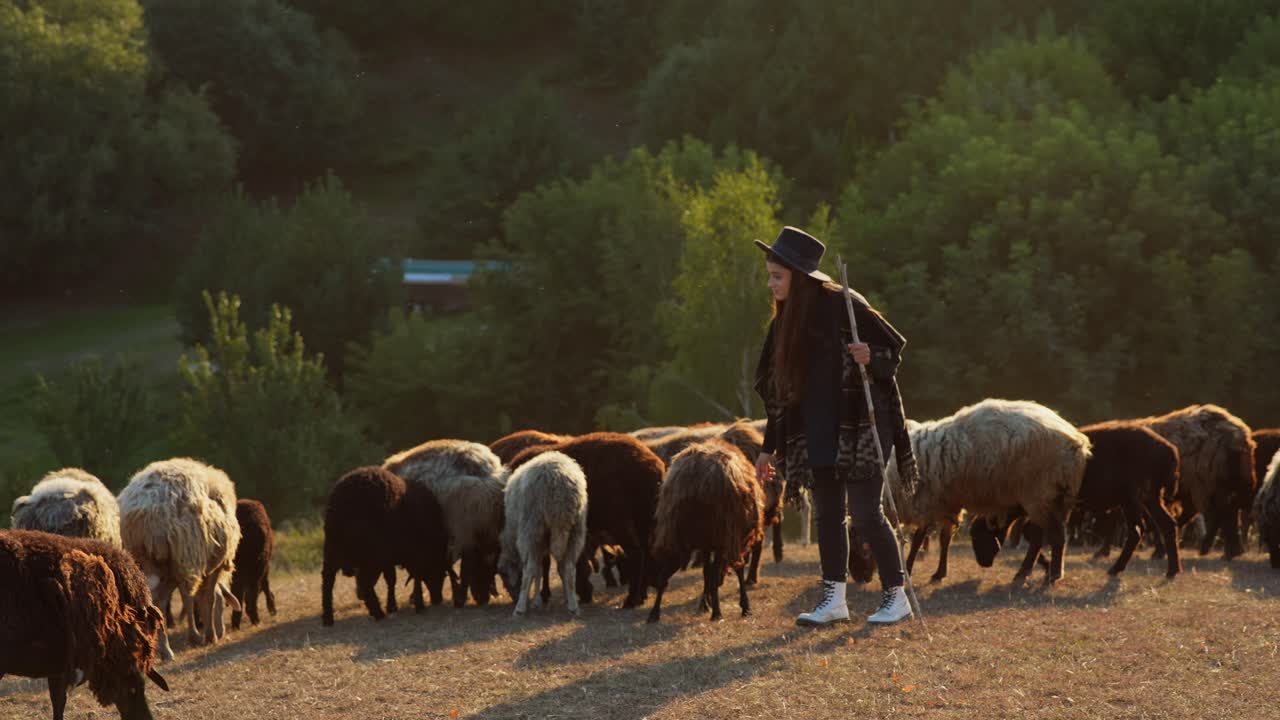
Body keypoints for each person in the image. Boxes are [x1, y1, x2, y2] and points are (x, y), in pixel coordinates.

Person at [751, 226, 919, 626]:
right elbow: (777, 395)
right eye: (770, 276)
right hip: (815, 432)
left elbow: (891, 350)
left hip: (860, 425)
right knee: (828, 514)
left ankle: (897, 597)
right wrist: (768, 447)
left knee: (864, 512)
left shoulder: (844, 304)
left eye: (777, 276)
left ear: (800, 275)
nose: (771, 284)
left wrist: (869, 356)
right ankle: (834, 600)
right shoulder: (784, 324)